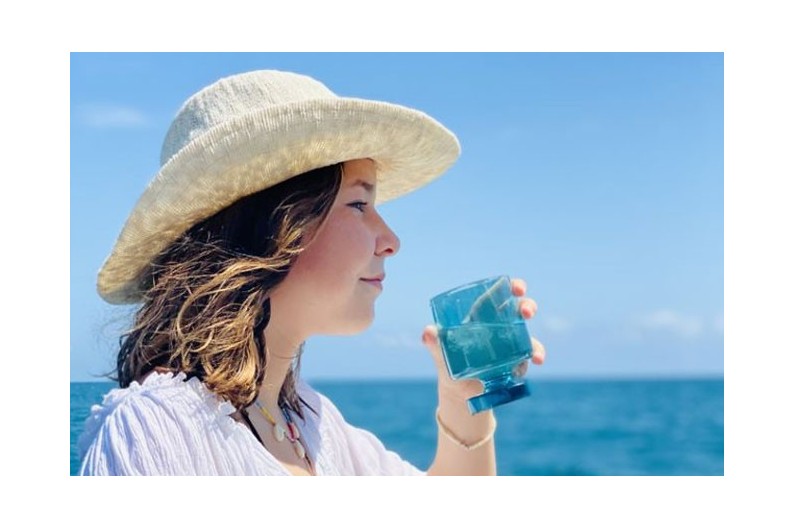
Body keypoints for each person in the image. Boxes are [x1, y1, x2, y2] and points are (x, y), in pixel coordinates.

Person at [77, 69, 547, 476]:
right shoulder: (156, 430)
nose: (391, 240)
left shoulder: (313, 424)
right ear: (272, 227)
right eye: (359, 204)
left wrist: (463, 400)